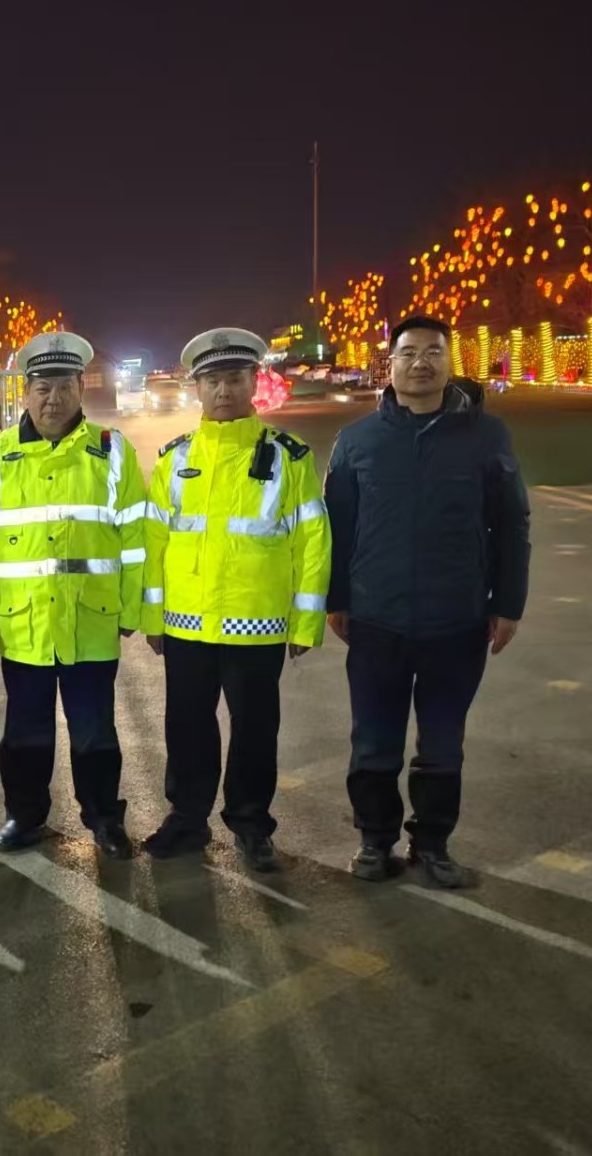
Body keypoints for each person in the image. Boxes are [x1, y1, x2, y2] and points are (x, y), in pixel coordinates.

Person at [324, 315, 530, 888]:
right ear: (388, 364)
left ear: (449, 360)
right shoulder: (358, 440)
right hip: (376, 621)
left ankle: (433, 844)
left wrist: (508, 603)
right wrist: (337, 599)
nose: (421, 362)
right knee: (374, 743)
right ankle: (374, 841)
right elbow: (337, 528)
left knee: (442, 744)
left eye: (433, 352)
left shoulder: (486, 437)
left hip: (456, 621)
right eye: (408, 352)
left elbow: (511, 523)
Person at [139, 329, 331, 871]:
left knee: (255, 730)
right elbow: (155, 541)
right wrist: (152, 617)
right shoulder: (175, 459)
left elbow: (313, 541)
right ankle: (187, 818)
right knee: (187, 727)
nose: (224, 390)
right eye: (213, 381)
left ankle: (251, 824)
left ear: (254, 383)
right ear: (197, 388)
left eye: (234, 379)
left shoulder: (288, 458)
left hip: (258, 622)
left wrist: (305, 623)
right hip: (187, 624)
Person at [0, 332, 148, 859]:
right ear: (25, 393)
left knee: (95, 733)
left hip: (92, 620)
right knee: (25, 734)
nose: (53, 398)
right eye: (42, 387)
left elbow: (135, 538)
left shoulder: (111, 451)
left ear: (81, 389)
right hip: (23, 623)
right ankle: (24, 816)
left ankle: (104, 820)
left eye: (64, 386)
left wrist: (132, 607)